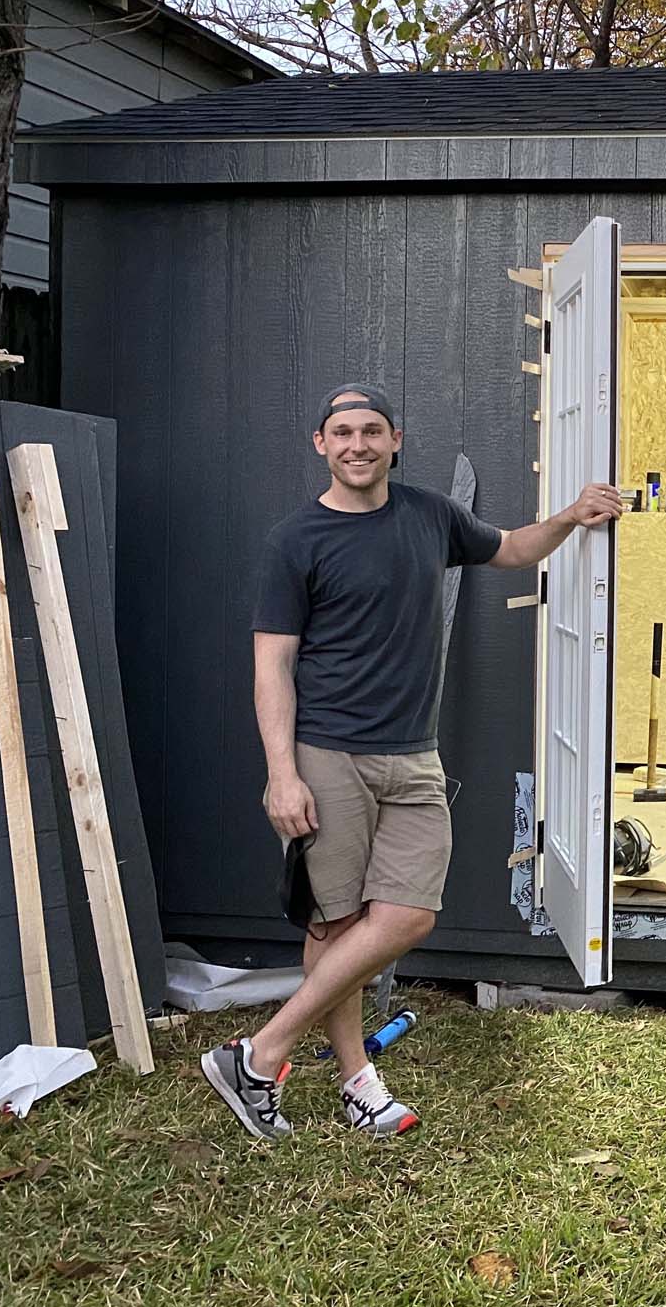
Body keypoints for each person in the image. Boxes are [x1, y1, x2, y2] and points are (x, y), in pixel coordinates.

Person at [201, 383, 622, 1141]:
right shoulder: (295, 540)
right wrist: (282, 773)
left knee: (407, 915)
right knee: (336, 923)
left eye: (372, 431)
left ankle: (260, 1053)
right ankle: (357, 1083)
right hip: (328, 754)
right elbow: (272, 666)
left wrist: (570, 515)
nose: (357, 445)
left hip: (413, 755)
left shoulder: (431, 515)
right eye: (342, 433)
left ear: (395, 440)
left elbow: (511, 549)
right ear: (321, 444)